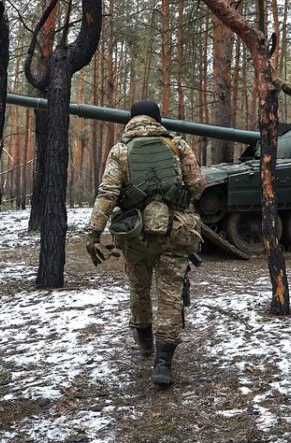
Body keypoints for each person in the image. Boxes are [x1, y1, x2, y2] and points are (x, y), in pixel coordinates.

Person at [86, 100, 205, 386]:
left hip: (135, 234)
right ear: (157, 119)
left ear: (130, 121)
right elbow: (198, 185)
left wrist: (93, 232)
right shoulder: (178, 145)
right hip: (174, 231)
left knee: (139, 288)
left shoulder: (120, 151)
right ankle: (163, 362)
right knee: (170, 294)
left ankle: (144, 342)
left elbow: (107, 194)